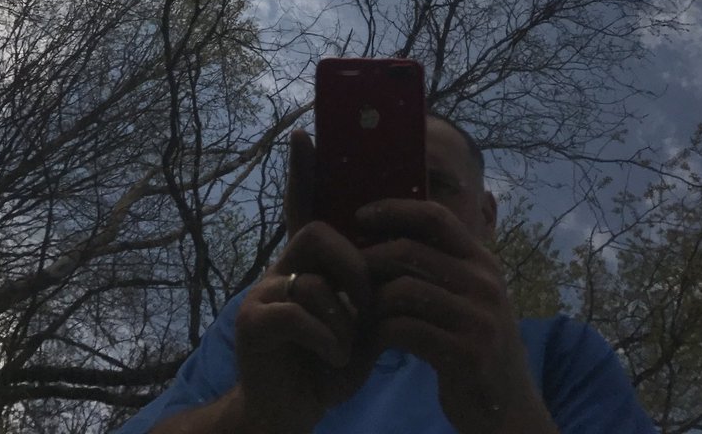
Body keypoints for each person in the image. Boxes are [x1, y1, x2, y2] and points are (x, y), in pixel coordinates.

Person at [115, 115, 657, 434]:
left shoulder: (561, 352)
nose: (403, 204)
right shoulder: (268, 324)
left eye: (435, 186)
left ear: (488, 216)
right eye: (374, 182)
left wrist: (509, 411)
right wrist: (253, 413)